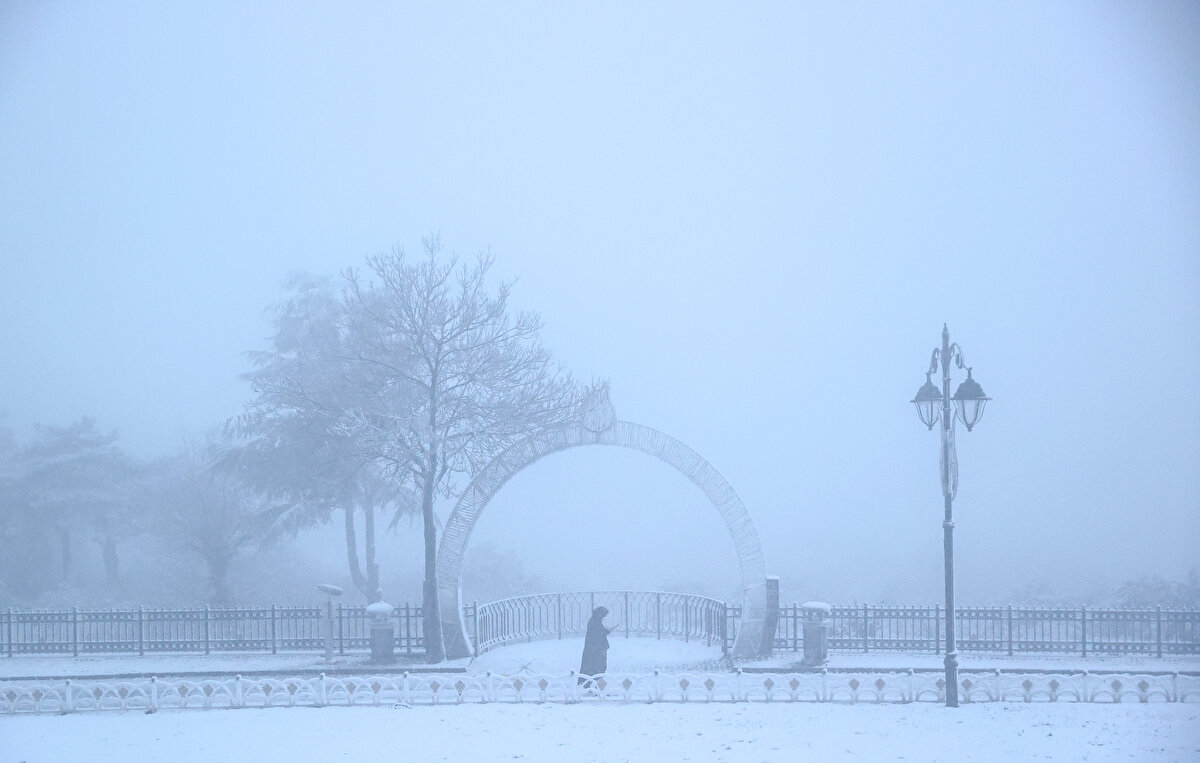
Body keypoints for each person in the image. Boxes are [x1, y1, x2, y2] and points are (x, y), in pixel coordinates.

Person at [578, 606, 613, 687]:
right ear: (600, 615)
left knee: (595, 669)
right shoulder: (595, 623)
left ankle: (593, 685)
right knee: (596, 669)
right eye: (604, 615)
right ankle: (594, 686)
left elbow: (598, 635)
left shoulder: (595, 622)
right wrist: (605, 632)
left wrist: (605, 632)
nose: (605, 617)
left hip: (595, 651)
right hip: (596, 652)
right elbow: (597, 636)